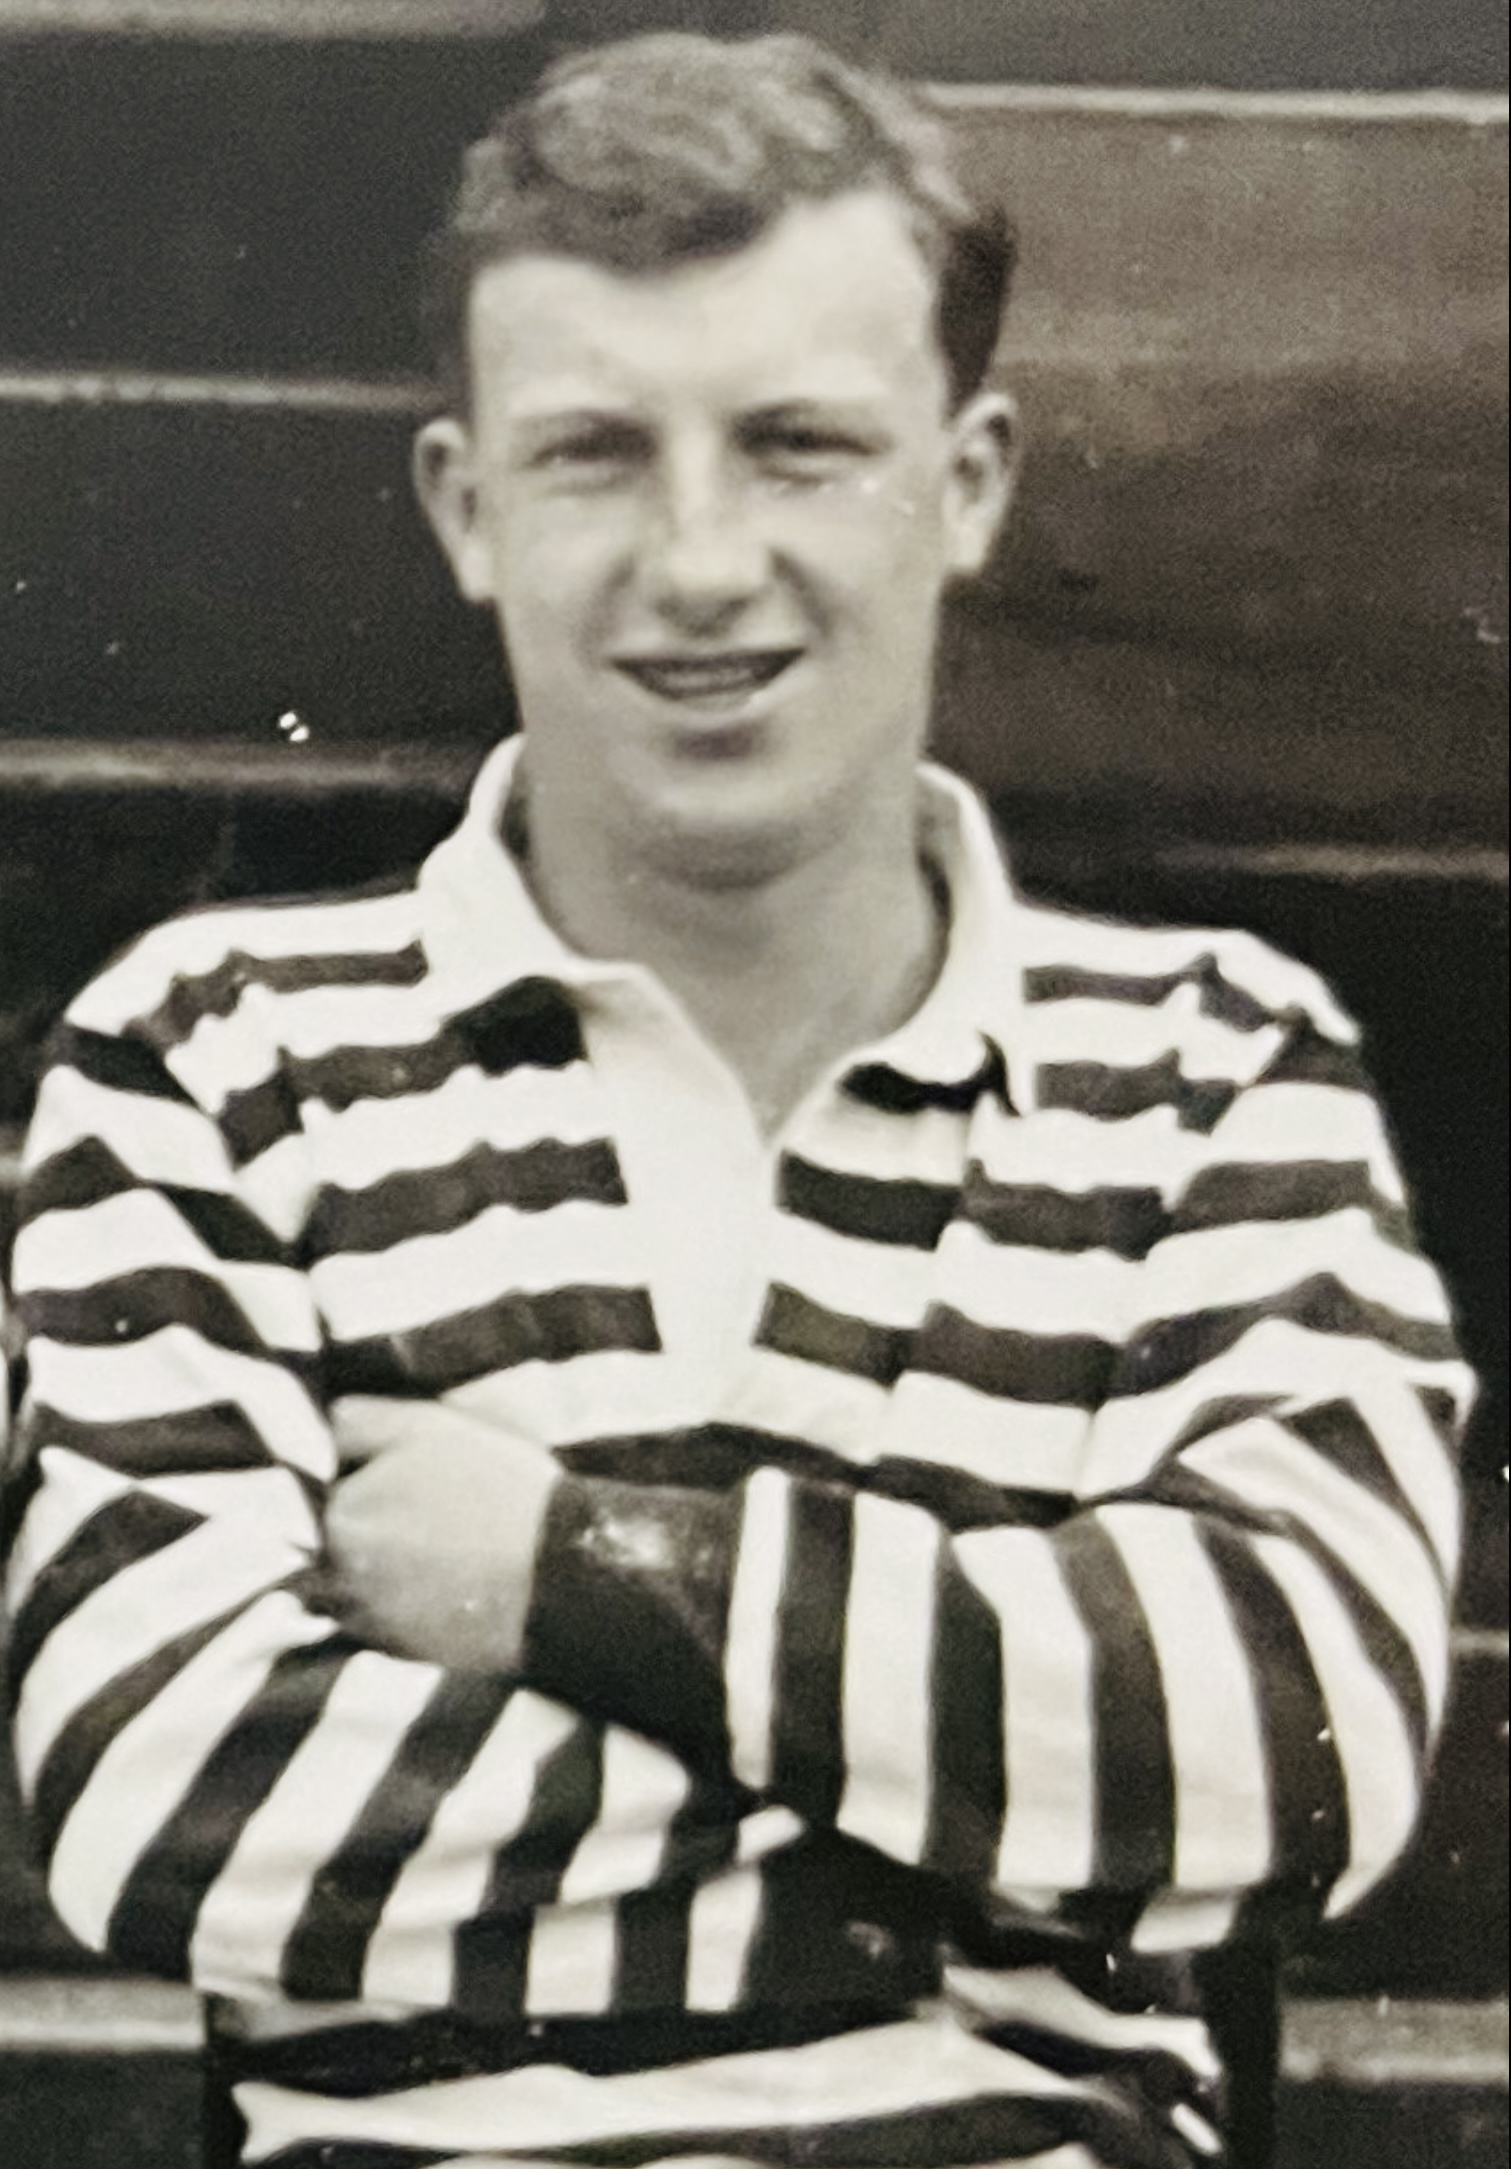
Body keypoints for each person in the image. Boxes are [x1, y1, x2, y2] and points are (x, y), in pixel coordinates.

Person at [1, 32, 1473, 2169]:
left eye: (799, 447)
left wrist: (564, 1571)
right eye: (596, 454)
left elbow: (1296, 1735)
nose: (701, 561)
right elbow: (165, 1785)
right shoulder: (214, 1060)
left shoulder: (1218, 1070)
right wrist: (988, 1866)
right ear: (469, 509)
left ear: (967, 483)